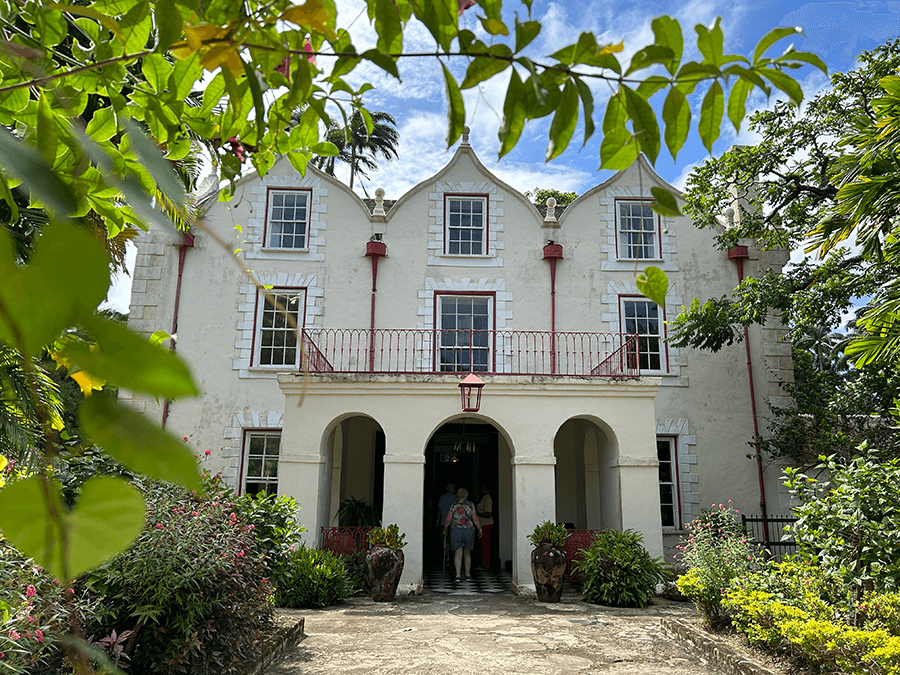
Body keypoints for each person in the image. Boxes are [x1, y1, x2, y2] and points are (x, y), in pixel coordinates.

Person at [443, 487, 481, 583]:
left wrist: (445, 528)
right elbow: (475, 518)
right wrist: (480, 528)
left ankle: (458, 576)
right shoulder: (471, 505)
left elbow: (448, 519)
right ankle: (467, 575)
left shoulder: (454, 506)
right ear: (466, 495)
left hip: (456, 530)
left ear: (458, 495)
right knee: (467, 554)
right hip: (469, 530)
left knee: (458, 554)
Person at [476, 486, 493, 569]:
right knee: (484, 544)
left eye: (484, 489)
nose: (482, 490)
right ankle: (484, 563)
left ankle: (486, 564)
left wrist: (478, 514)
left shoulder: (487, 499)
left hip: (486, 524)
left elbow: (488, 513)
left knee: (485, 544)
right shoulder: (484, 498)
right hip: (483, 524)